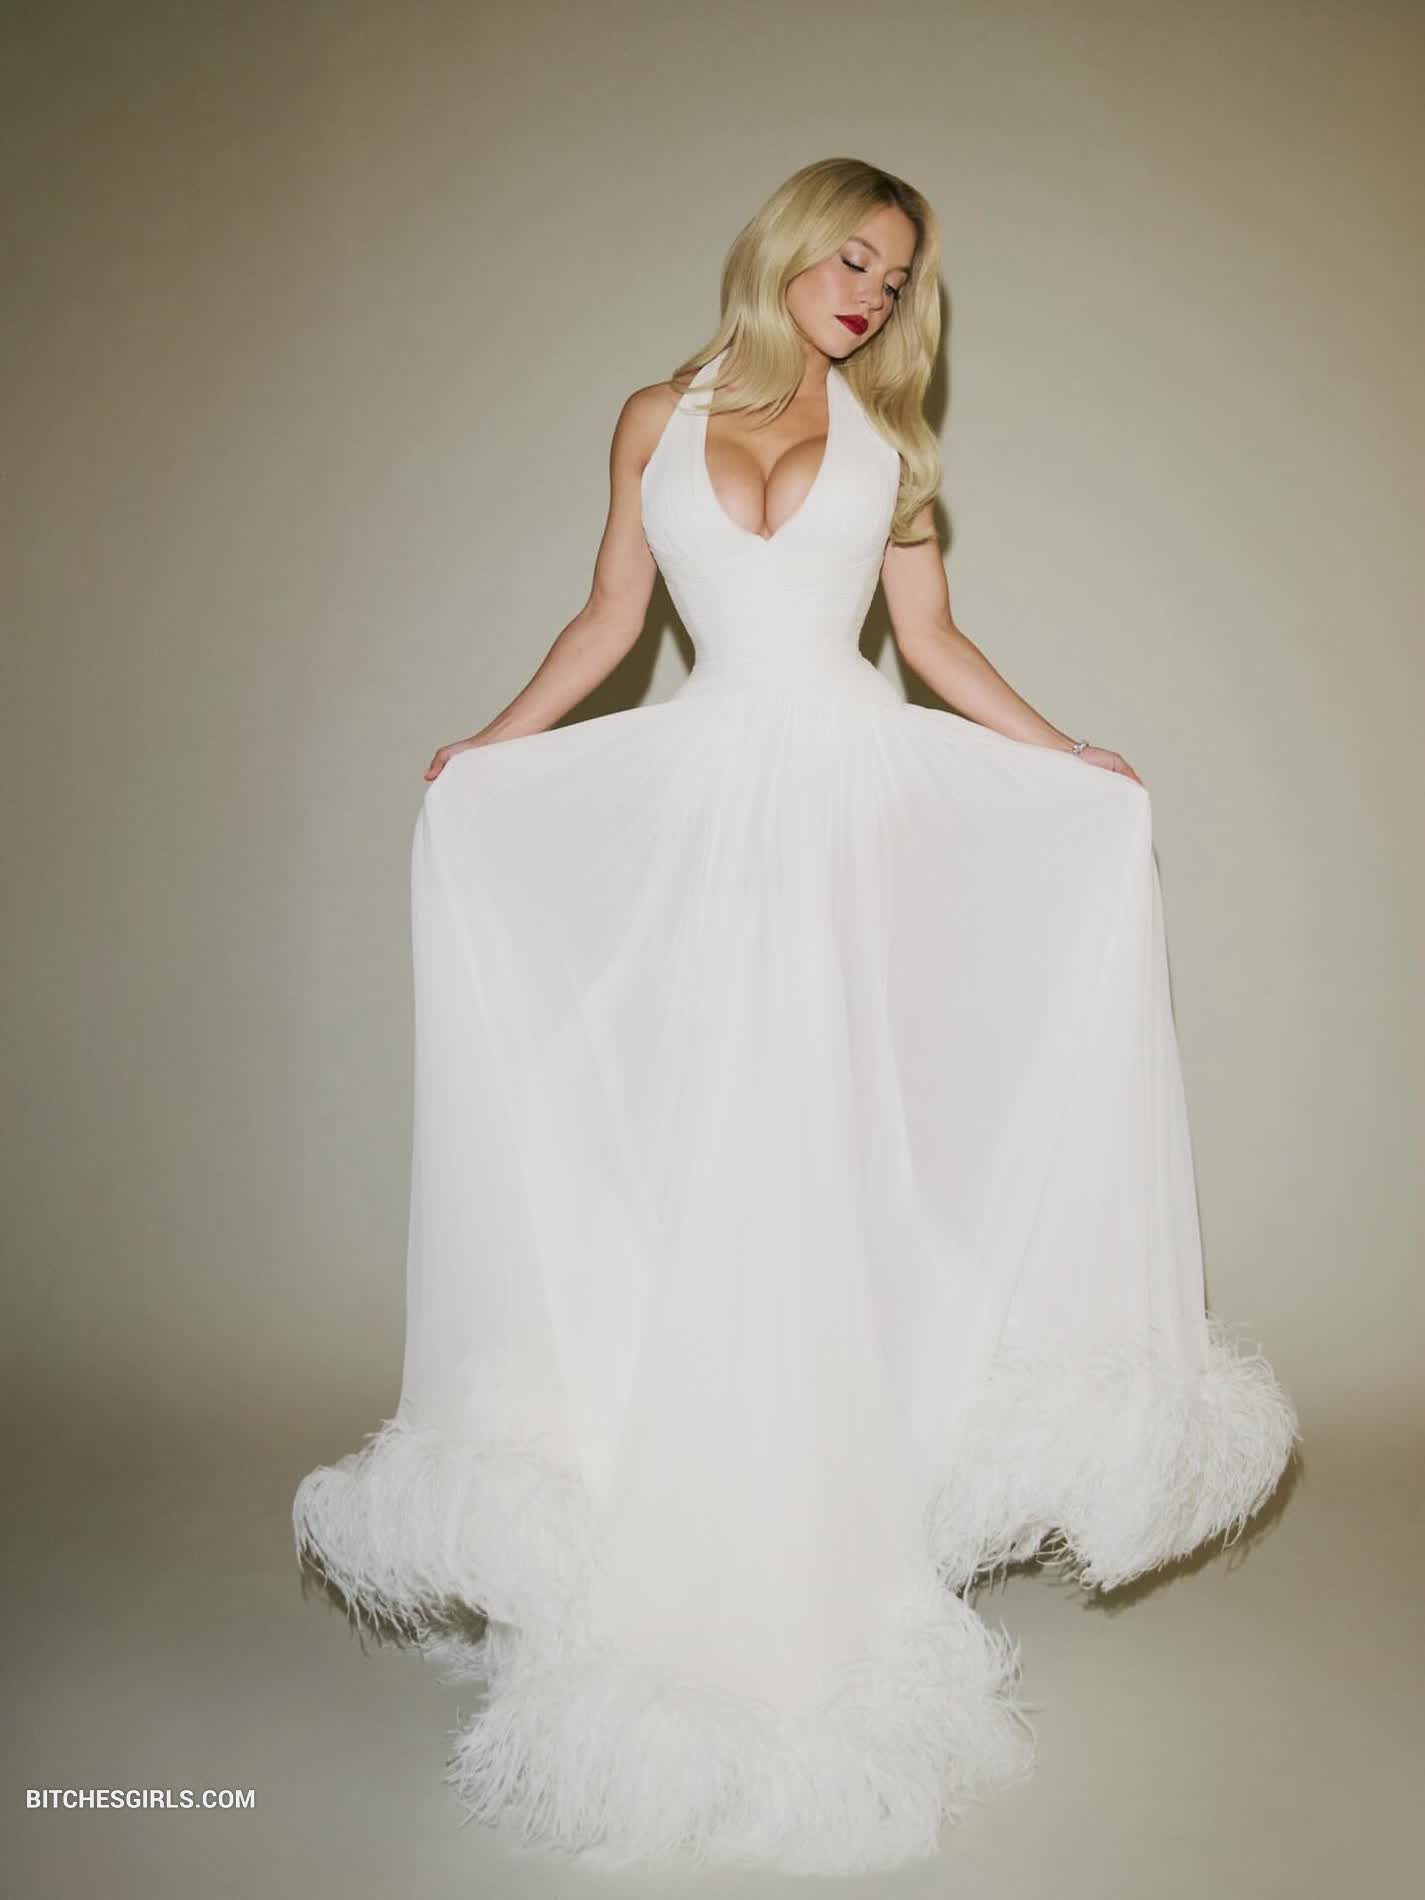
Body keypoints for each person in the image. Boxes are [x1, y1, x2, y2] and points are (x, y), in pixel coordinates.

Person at [292, 156, 1298, 1874]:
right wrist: (493, 746)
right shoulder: (650, 418)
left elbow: (932, 642)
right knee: (694, 1152)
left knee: (817, 1154)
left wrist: (1066, 756)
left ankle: (832, 1540)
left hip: (842, 818)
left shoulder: (890, 444)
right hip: (699, 820)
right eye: (852, 260)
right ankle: (676, 1519)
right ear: (781, 249)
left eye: (895, 280)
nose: (870, 295)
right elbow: (614, 618)